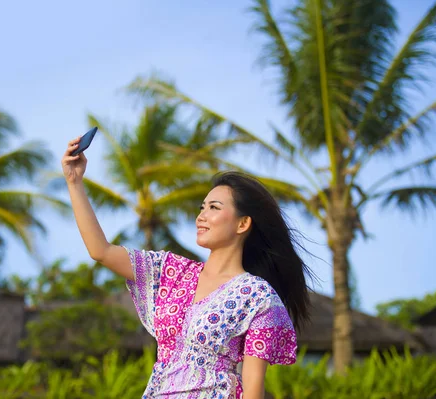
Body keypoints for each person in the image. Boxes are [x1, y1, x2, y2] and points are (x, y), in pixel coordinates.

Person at [62, 136, 314, 399]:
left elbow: (253, 389)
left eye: (214, 208)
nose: (201, 216)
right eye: (202, 207)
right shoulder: (171, 271)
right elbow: (101, 251)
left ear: (243, 224)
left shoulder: (259, 297)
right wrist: (75, 181)